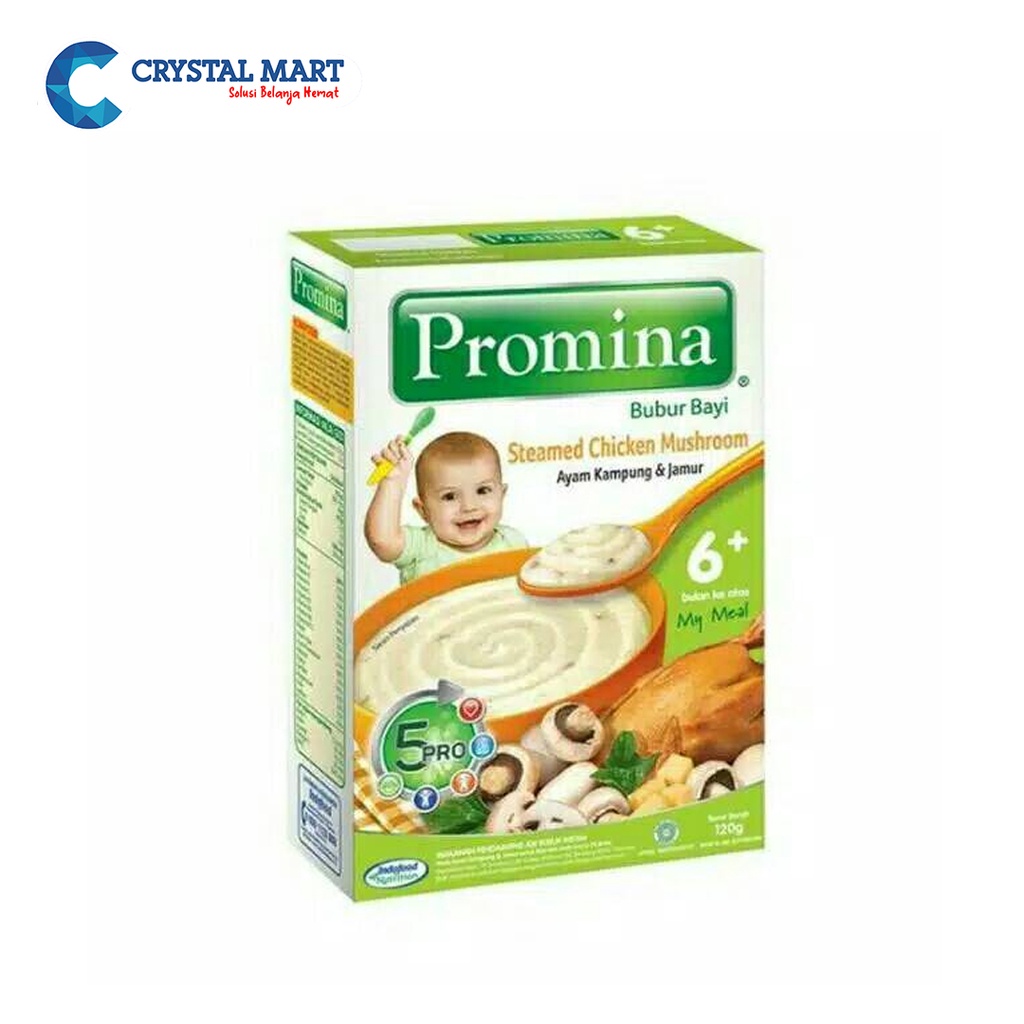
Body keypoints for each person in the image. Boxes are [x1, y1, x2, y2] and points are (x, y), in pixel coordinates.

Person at [364, 430, 527, 583]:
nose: (469, 506)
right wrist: (392, 482)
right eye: (450, 496)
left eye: (482, 490)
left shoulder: (513, 542)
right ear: (423, 510)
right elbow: (382, 542)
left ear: (502, 495)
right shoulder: (422, 547)